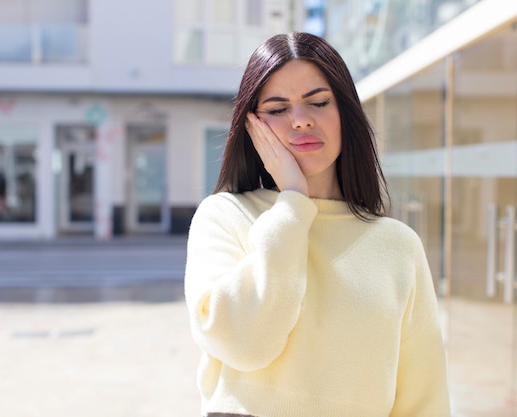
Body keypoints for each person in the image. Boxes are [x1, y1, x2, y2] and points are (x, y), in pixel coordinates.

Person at [184, 32, 450, 417]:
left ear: (346, 112)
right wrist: (293, 202)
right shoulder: (224, 216)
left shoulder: (397, 245)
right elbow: (241, 342)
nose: (302, 120)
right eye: (277, 109)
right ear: (253, 126)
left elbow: (424, 399)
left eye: (319, 102)